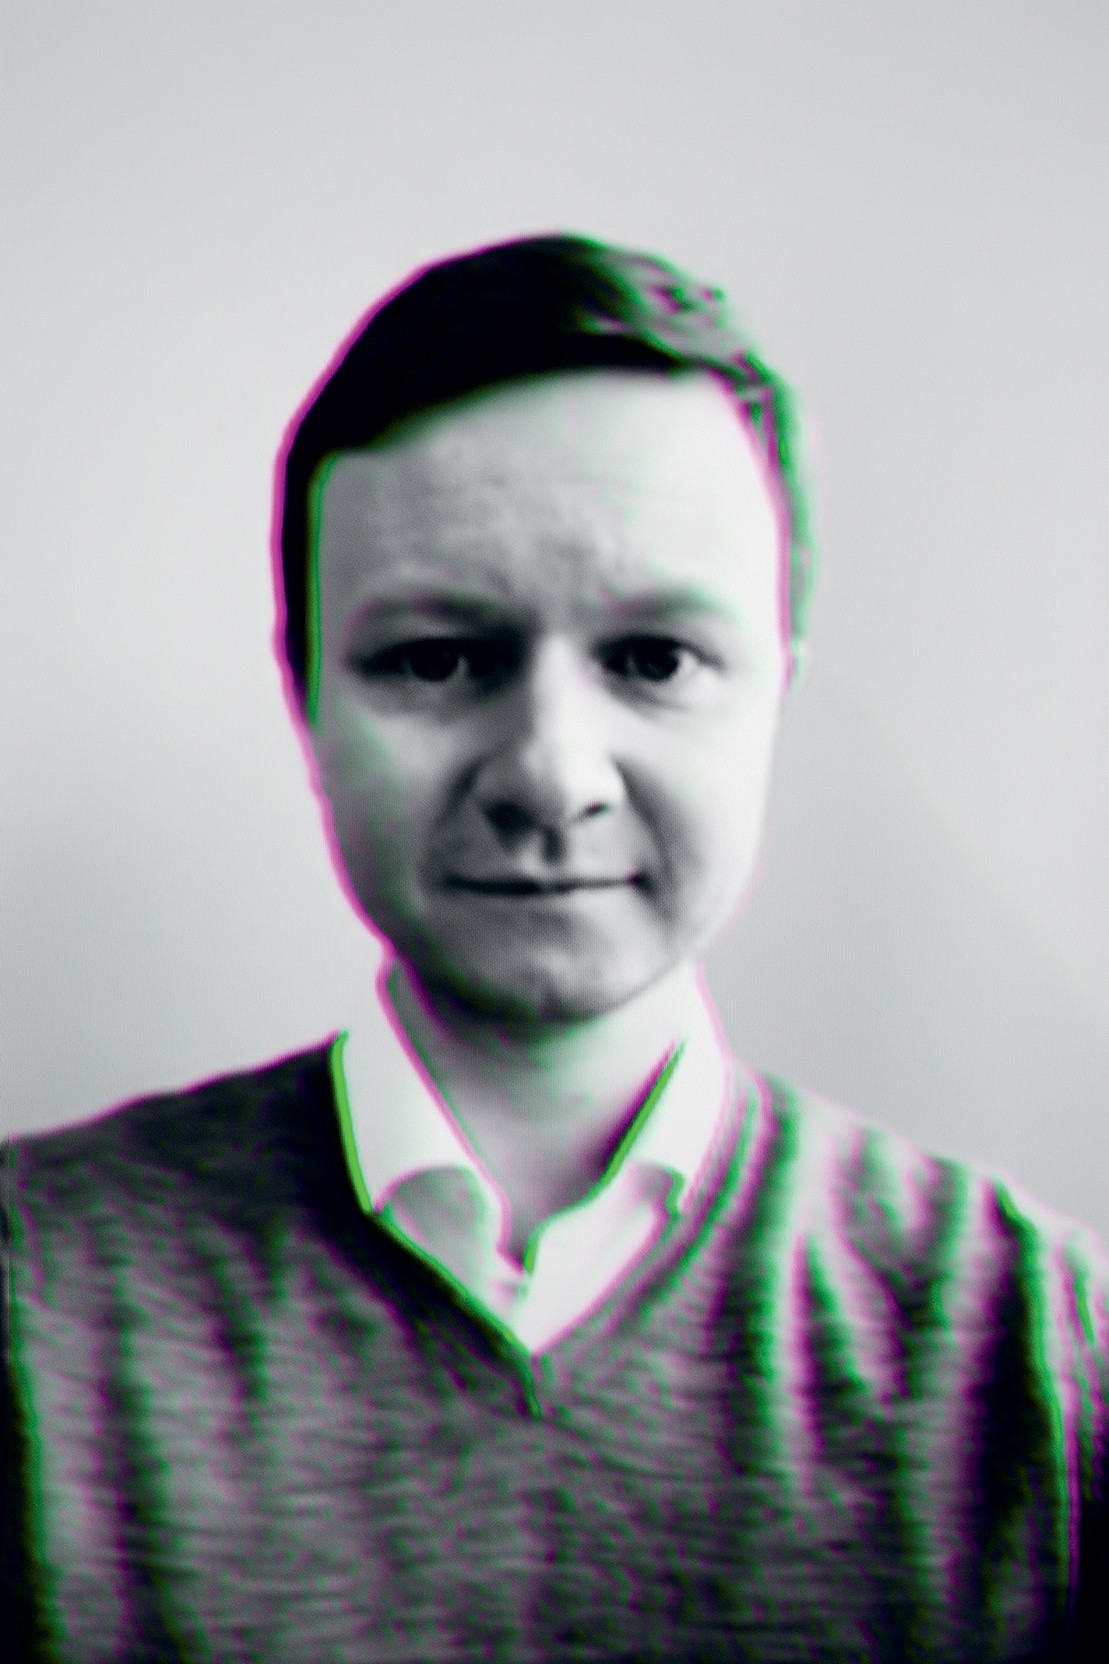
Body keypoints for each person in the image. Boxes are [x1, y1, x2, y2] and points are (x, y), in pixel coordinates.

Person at [2, 234, 1106, 1661]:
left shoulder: (1038, 1347)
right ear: (308, 702)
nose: (550, 775)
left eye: (655, 660)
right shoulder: (30, 1299)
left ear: (774, 697)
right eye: (437, 658)